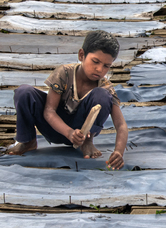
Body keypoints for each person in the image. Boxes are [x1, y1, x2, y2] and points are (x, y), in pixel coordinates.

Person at [8, 30, 128, 170]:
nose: (100, 69)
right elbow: (49, 111)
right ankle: (28, 141)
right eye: (95, 61)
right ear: (81, 55)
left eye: (106, 66)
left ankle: (87, 142)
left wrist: (119, 152)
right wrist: (69, 132)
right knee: (24, 92)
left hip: (82, 134)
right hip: (53, 126)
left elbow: (121, 125)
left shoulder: (105, 87)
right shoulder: (64, 73)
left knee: (102, 95)